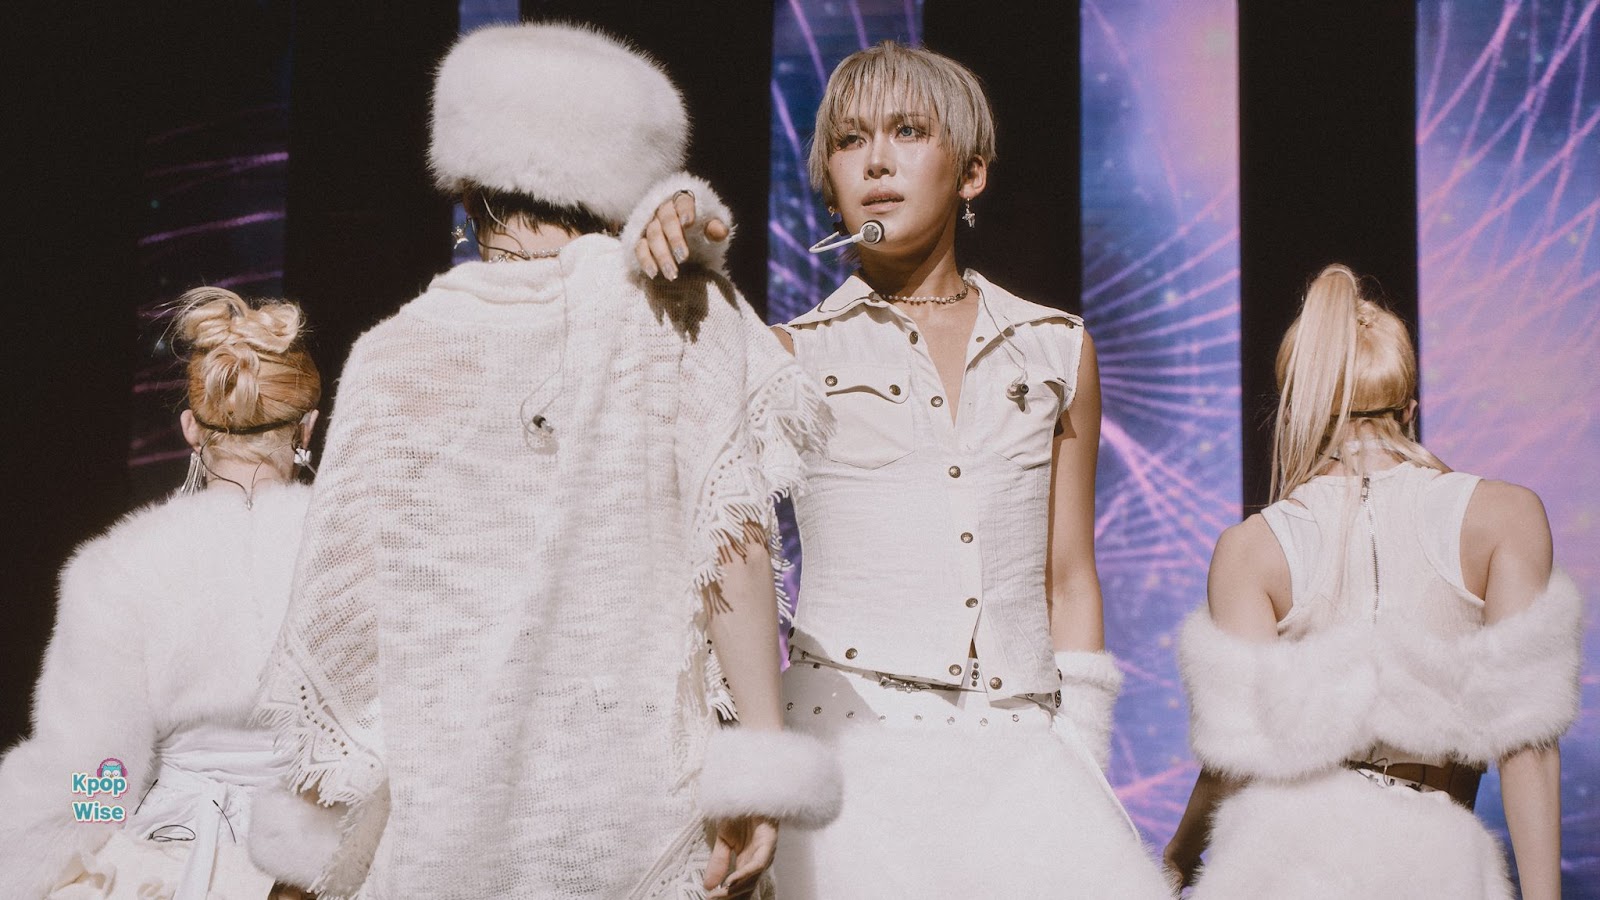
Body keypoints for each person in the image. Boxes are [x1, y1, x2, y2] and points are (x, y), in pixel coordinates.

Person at [250, 23, 838, 900]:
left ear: (466, 184)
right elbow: (734, 542)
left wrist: (305, 855)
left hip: (448, 817)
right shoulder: (685, 318)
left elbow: (349, 620)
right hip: (636, 809)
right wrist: (757, 774)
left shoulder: (395, 355)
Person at [645, 40, 1169, 898]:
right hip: (850, 755)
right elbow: (698, 492)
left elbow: (1070, 577)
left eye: (909, 131)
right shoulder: (784, 354)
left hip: (1024, 765)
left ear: (972, 173)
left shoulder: (1055, 347)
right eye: (851, 141)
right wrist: (673, 230)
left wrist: (1082, 751)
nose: (878, 161)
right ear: (829, 182)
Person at [1163, 264, 1579, 899]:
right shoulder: (1506, 517)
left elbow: (1236, 756)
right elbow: (1527, 742)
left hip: (1281, 858)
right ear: (1410, 409)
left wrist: (1176, 859)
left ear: (1296, 410)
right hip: (1432, 860)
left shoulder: (1251, 549)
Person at [0, 286, 321, 900]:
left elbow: (92, 774)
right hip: (329, 863)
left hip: (176, 863)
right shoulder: (365, 557)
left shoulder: (122, 567)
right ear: (307, 425)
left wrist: (62, 850)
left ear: (191, 429)